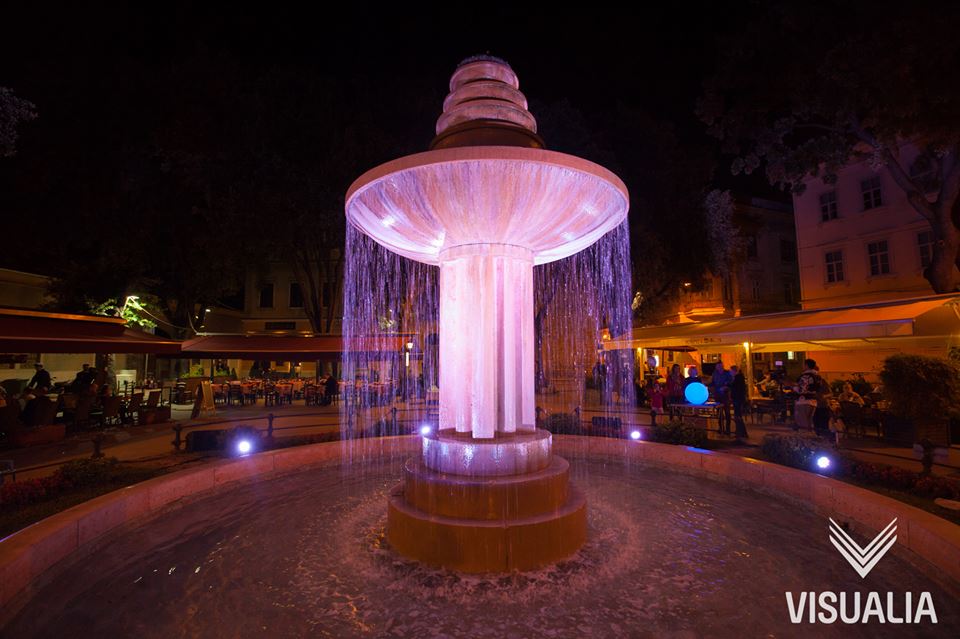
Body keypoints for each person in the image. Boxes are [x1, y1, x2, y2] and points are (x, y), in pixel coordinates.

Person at [793, 359, 822, 432]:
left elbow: (802, 390)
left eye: (803, 364)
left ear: (806, 365)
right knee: (809, 422)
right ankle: (811, 439)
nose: (802, 366)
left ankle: (805, 439)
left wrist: (793, 387)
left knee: (803, 424)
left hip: (804, 401)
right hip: (813, 401)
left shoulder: (806, 376)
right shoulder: (817, 376)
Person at [710, 362, 733, 435]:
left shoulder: (727, 373)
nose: (720, 367)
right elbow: (712, 383)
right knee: (719, 412)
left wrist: (726, 387)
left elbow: (731, 383)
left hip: (725, 395)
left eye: (721, 366)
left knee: (727, 412)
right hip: (717, 395)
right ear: (716, 367)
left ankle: (728, 429)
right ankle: (721, 428)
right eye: (718, 366)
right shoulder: (714, 374)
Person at [730, 366, 749, 442]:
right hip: (739, 399)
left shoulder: (737, 378)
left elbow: (735, 388)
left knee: (737, 416)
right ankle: (741, 432)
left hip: (737, 399)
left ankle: (739, 432)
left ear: (734, 371)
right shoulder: (739, 378)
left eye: (731, 371)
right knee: (738, 415)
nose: (730, 373)